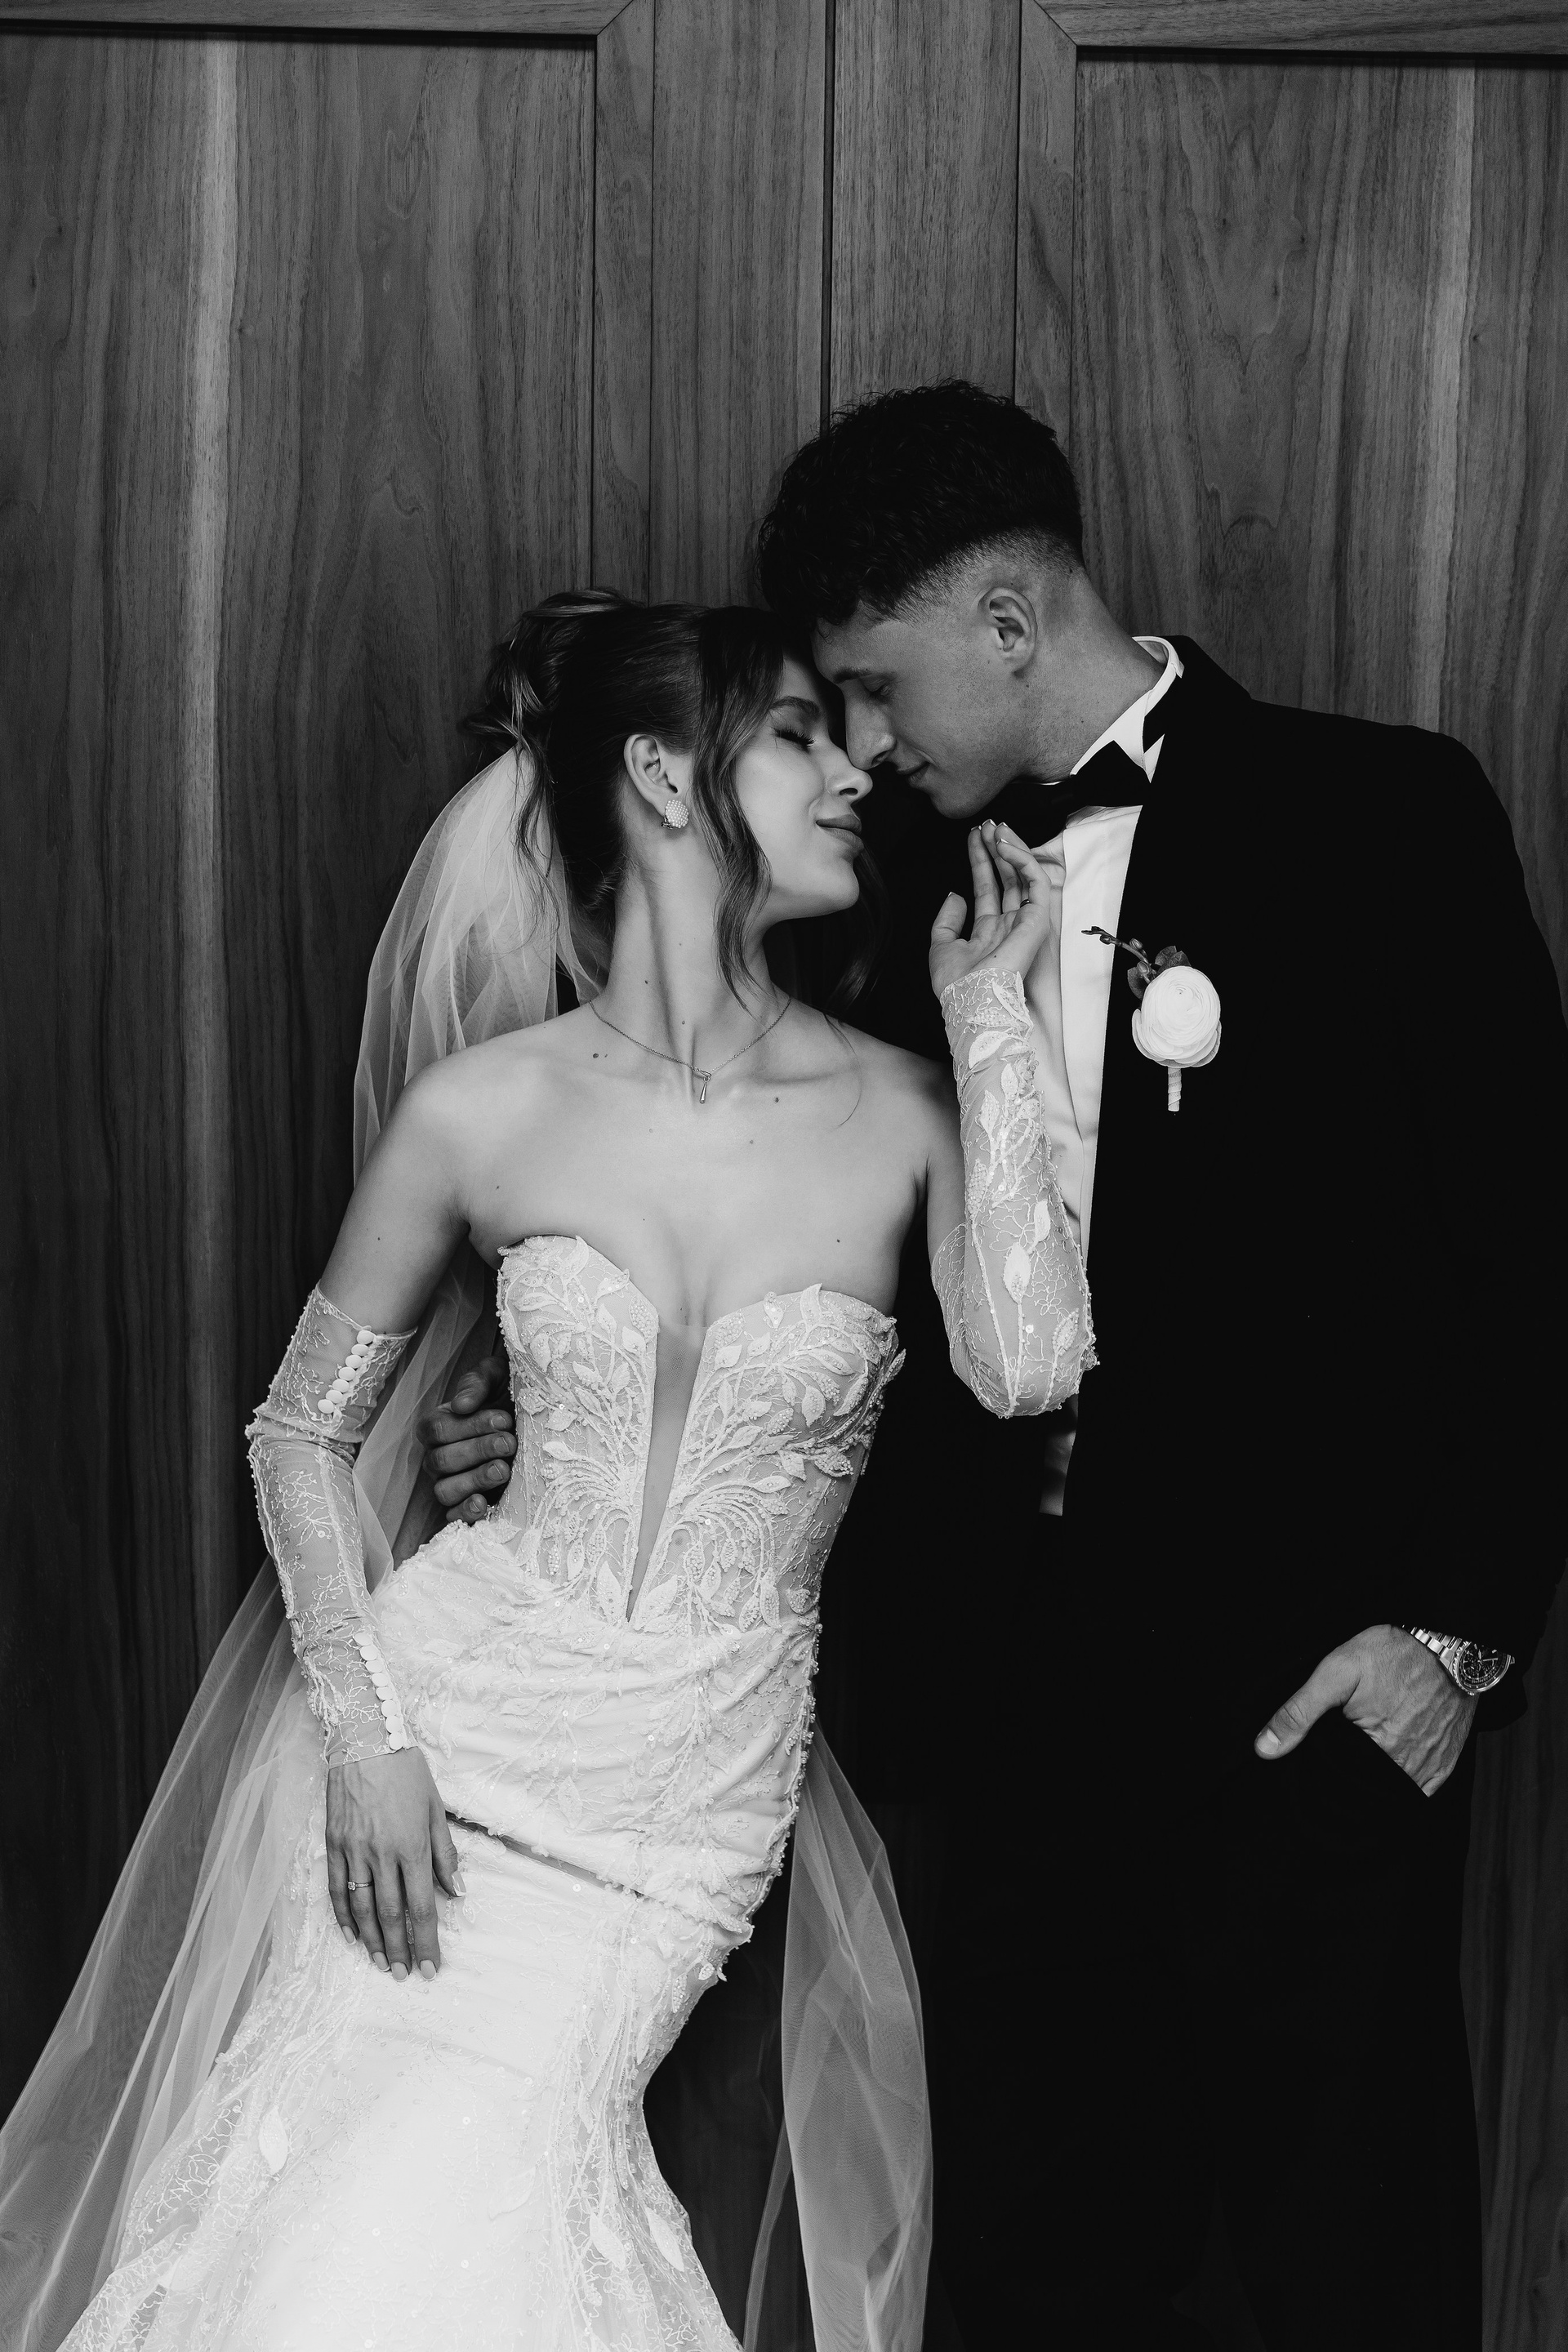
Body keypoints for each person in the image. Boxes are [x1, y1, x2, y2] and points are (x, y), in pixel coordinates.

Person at [427, 389, 1568, 2350]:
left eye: (877, 688)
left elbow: (1533, 1250)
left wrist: (1454, 1638)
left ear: (1015, 624)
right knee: (1037, 2278)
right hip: (997, 1721)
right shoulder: (858, 888)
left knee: (1356, 2269)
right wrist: (569, 1420)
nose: (862, 745)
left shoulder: (1383, 816)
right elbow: (732, 1188)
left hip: (1309, 1719)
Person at [2, 594, 1094, 2352]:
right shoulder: (483, 1108)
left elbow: (1029, 1362)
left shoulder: (907, 1106)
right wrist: (370, 1738)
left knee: (496, 2174)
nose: (854, 776)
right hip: (439, 1746)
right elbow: (300, 1431)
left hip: (680, 1805)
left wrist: (992, 1023)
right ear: (662, 775)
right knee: (357, 2213)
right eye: (798, 736)